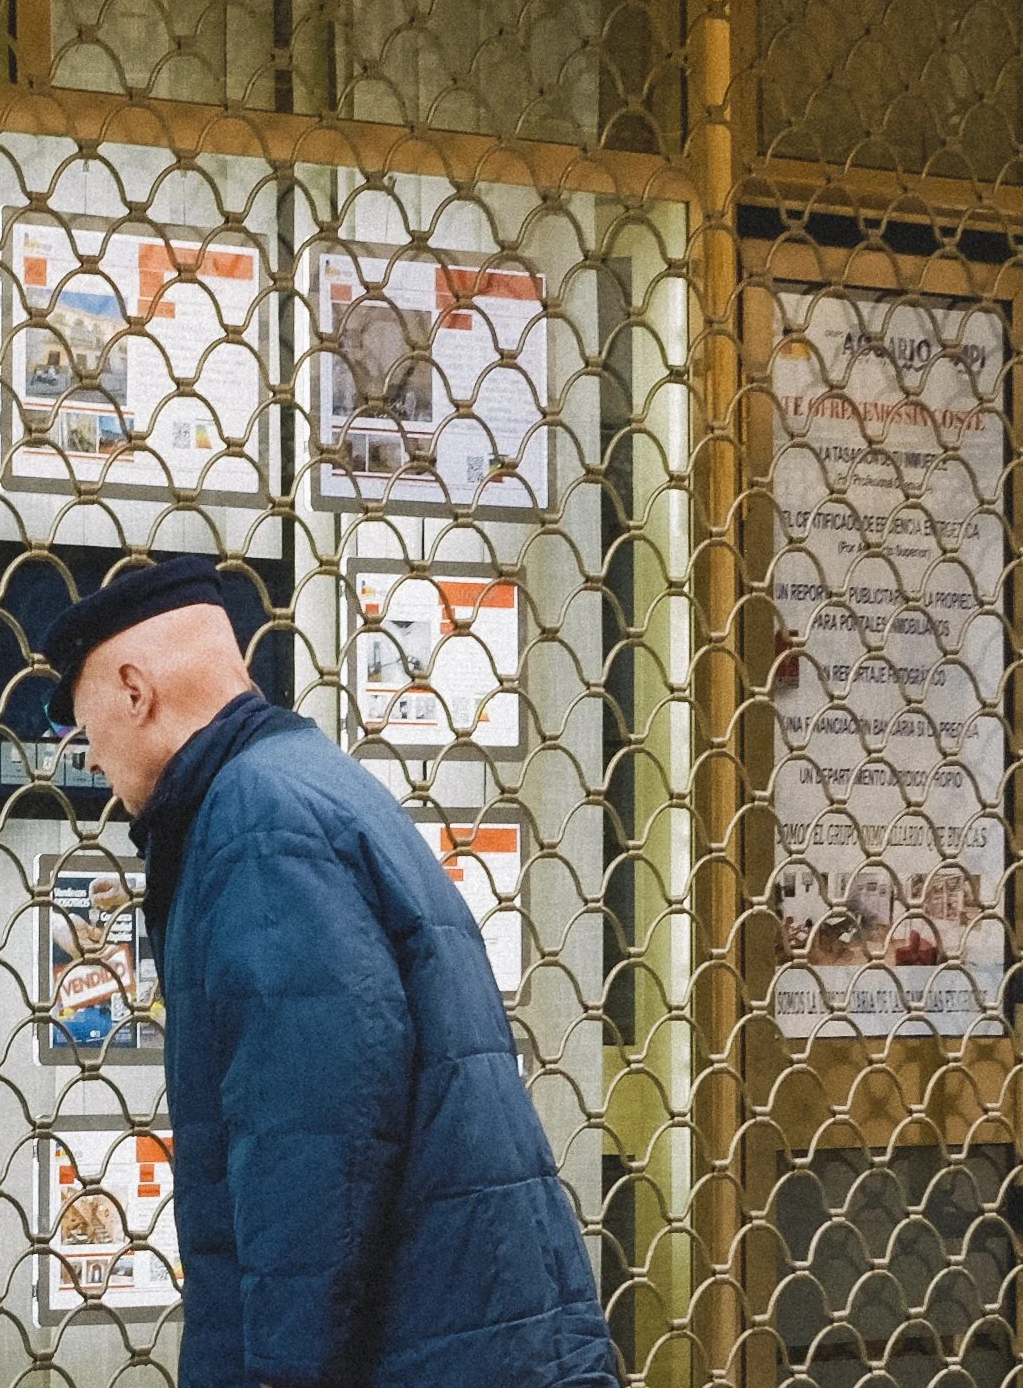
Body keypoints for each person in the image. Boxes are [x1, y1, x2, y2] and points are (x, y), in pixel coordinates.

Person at [42, 556, 619, 1388]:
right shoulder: (307, 784)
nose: (90, 757)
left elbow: (310, 1151)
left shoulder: (253, 822)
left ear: (136, 691)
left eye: (84, 723)